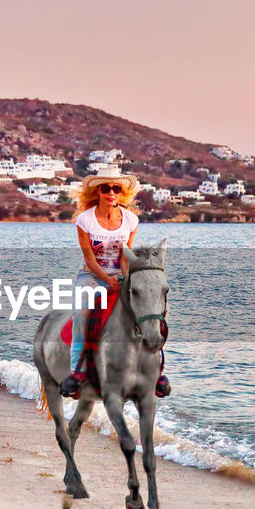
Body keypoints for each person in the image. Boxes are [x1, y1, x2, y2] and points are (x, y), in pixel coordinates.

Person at [60, 166, 168, 398]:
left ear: (122, 193)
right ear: (98, 192)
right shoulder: (85, 220)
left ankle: (156, 370)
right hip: (91, 275)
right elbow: (89, 258)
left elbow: (124, 256)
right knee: (81, 313)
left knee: (148, 309)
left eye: (116, 188)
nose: (111, 192)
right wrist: (107, 280)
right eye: (106, 188)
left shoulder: (130, 219)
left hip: (119, 274)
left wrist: (125, 279)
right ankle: (76, 373)